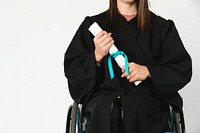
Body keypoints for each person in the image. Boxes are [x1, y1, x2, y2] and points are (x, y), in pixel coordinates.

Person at [64, 0, 192, 133]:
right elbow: (73, 70)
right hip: (103, 105)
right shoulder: (94, 27)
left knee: (140, 109)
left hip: (147, 104)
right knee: (108, 109)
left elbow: (182, 69)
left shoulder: (162, 27)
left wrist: (149, 72)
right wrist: (97, 55)